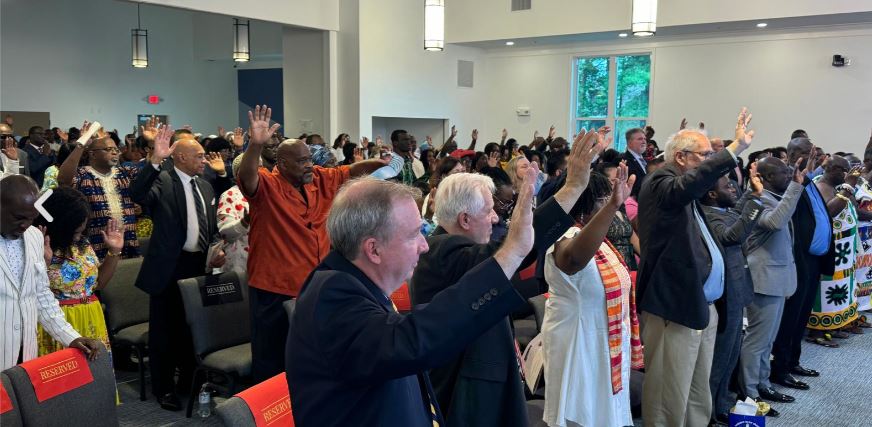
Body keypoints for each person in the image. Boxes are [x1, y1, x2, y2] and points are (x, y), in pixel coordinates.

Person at [286, 167, 538, 426]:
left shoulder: (358, 285)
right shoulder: (331, 294)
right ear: (374, 249)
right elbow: (411, 342)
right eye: (414, 234)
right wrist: (513, 252)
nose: (424, 245)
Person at [410, 130, 603, 426]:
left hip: (482, 382)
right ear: (464, 219)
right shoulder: (443, 251)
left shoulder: (454, 250)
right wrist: (573, 187)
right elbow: (515, 249)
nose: (496, 218)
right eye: (490, 211)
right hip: (467, 396)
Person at [236, 105, 389, 383]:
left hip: (313, 287)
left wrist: (382, 163)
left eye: (309, 158)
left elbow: (352, 171)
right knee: (272, 362)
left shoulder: (320, 178)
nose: (308, 165)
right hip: (274, 289)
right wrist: (255, 145)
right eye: (301, 161)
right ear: (283, 165)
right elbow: (247, 176)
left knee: (308, 358)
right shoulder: (267, 186)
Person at [636, 108, 755, 427]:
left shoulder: (687, 191)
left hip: (701, 304)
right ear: (681, 157)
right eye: (705, 155)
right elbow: (687, 186)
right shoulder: (660, 182)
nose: (709, 161)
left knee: (696, 387)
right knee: (669, 390)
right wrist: (735, 148)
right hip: (675, 305)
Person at [131, 125, 227, 411]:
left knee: (193, 328)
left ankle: (189, 381)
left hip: (199, 265)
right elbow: (137, 193)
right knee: (165, 332)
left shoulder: (205, 184)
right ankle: (164, 388)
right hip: (169, 267)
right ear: (181, 157)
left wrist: (215, 251)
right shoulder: (162, 179)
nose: (204, 160)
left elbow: (211, 225)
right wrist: (155, 160)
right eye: (199, 156)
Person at [542, 165, 642, 427]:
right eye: (603, 199)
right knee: (583, 413)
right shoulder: (564, 235)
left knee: (604, 413)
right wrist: (612, 206)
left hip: (603, 342)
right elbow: (573, 259)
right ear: (584, 203)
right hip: (579, 345)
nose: (610, 204)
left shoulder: (600, 240)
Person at [0, 175, 101, 370]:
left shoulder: (34, 237)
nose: (25, 225)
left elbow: (41, 294)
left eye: (31, 218)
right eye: (19, 218)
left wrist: (71, 337)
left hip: (26, 350)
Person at [739, 156, 808, 418]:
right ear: (767, 177)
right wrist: (796, 187)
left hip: (777, 279)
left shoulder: (775, 197)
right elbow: (774, 222)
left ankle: (763, 384)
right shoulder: (758, 198)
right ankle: (749, 392)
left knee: (767, 340)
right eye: (783, 173)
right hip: (763, 280)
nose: (789, 176)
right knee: (757, 341)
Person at [769, 137, 834, 390]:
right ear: (792, 154)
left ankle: (793, 361)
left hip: (813, 259)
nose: (813, 156)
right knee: (791, 317)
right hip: (797, 258)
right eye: (807, 152)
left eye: (814, 151)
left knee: (802, 315)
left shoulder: (809, 179)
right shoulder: (787, 179)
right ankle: (780, 368)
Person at [699, 171, 764, 425]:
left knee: (731, 355)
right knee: (720, 358)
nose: (734, 189)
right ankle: (709, 413)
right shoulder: (709, 215)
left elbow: (736, 212)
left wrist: (751, 194)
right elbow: (731, 236)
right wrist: (755, 201)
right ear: (712, 194)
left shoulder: (722, 210)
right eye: (728, 187)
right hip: (725, 297)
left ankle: (722, 404)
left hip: (736, 292)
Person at [32, 187, 123, 360]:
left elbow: (98, 284)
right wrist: (43, 264)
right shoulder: (41, 245)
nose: (79, 234)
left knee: (94, 371)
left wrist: (114, 251)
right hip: (58, 321)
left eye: (82, 229)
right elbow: (34, 292)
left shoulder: (82, 244)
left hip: (91, 316)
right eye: (75, 230)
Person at [57, 126, 142, 260]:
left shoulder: (125, 172)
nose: (114, 152)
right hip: (95, 245)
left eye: (116, 150)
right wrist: (81, 145)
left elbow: (149, 175)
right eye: (109, 149)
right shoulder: (83, 174)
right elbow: (63, 180)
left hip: (127, 242)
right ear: (92, 154)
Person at [806, 156, 861, 339]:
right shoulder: (821, 186)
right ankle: (817, 330)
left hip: (844, 250)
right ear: (833, 169)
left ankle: (835, 324)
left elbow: (852, 206)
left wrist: (848, 187)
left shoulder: (837, 186)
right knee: (826, 287)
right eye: (845, 171)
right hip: (831, 249)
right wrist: (848, 186)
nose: (847, 175)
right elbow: (829, 212)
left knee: (841, 287)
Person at [217, 155, 253, 275]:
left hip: (266, 263)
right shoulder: (230, 195)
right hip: (241, 266)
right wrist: (244, 222)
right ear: (239, 173)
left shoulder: (268, 193)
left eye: (261, 167)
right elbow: (225, 233)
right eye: (254, 168)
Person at [622, 127, 648, 197]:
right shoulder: (622, 160)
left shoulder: (646, 161)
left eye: (645, 139)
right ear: (629, 142)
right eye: (640, 139)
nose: (644, 141)